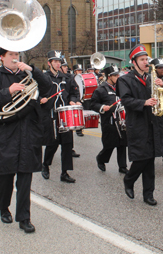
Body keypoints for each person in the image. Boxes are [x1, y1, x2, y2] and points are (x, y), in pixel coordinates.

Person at [0, 47, 51, 233]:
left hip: (28, 133)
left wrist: (33, 70)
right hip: (4, 134)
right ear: (2, 57)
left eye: (17, 55)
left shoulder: (28, 74)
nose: (15, 58)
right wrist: (8, 91)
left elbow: (47, 87)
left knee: (25, 179)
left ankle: (24, 218)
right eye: (11, 55)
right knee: (5, 178)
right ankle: (3, 207)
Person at [117, 44, 163, 206]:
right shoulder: (125, 79)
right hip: (137, 123)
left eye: (146, 59)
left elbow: (162, 95)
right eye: (142, 59)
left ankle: (148, 194)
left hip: (152, 122)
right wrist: (144, 102)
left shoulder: (152, 77)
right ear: (134, 62)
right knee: (141, 158)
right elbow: (126, 100)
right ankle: (129, 180)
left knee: (150, 160)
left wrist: (161, 86)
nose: (146, 62)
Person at [40, 51, 81, 183]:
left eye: (59, 62)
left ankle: (65, 172)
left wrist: (73, 100)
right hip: (51, 115)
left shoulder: (67, 78)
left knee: (67, 144)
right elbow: (35, 93)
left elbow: (74, 92)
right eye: (55, 61)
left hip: (65, 115)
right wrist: (41, 99)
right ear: (49, 63)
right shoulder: (44, 78)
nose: (58, 64)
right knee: (52, 143)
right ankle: (45, 165)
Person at [90, 64, 128, 174]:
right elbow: (93, 104)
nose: (118, 77)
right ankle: (101, 159)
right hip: (109, 121)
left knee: (122, 143)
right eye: (115, 75)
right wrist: (102, 107)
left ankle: (122, 166)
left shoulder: (122, 88)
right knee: (109, 145)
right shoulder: (101, 89)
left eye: (118, 75)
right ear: (109, 77)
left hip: (121, 120)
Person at [61, 59, 81, 158]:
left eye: (66, 66)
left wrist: (73, 100)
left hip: (67, 108)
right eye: (64, 66)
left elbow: (75, 92)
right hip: (55, 109)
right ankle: (46, 162)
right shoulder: (49, 77)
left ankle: (70, 149)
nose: (66, 68)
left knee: (68, 131)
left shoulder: (69, 78)